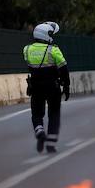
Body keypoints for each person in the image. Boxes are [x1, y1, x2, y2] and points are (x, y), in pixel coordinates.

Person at [24, 21, 69, 153]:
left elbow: (29, 64)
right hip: (52, 87)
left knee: (36, 113)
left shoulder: (27, 50)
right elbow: (64, 69)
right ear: (45, 35)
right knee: (54, 114)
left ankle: (40, 133)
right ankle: (50, 144)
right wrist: (66, 86)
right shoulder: (53, 49)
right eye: (50, 34)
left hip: (36, 87)